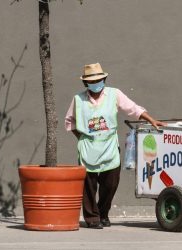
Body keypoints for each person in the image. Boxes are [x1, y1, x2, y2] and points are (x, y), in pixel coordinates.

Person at [65, 63, 166, 229]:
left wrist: (151, 120)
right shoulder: (78, 99)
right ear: (86, 83)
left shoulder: (114, 94)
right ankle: (93, 218)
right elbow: (70, 122)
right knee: (88, 187)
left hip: (109, 147)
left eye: (99, 79)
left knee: (110, 183)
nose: (96, 83)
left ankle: (103, 213)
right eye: (92, 81)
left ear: (104, 79)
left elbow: (133, 108)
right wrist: (82, 138)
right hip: (88, 148)